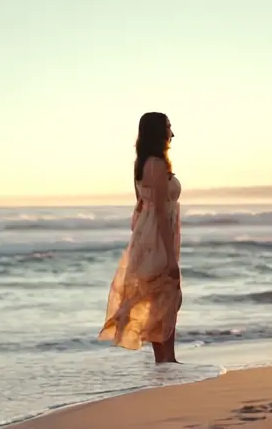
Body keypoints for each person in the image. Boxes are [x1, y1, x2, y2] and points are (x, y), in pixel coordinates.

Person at [98, 112, 182, 363]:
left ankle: (166, 360)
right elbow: (157, 213)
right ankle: (167, 360)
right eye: (169, 127)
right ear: (158, 131)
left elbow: (140, 209)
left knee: (162, 298)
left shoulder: (145, 163)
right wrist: (169, 257)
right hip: (156, 238)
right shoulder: (155, 164)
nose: (172, 133)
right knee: (166, 295)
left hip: (151, 238)